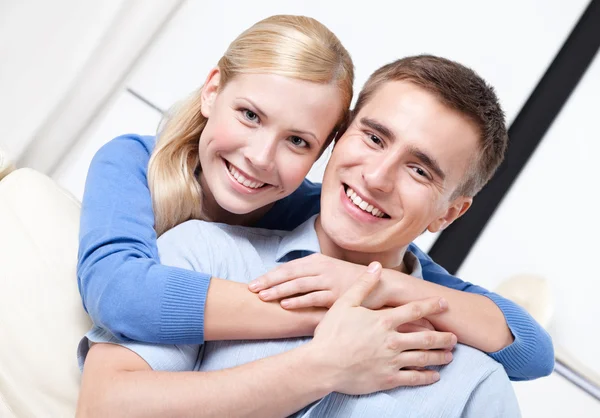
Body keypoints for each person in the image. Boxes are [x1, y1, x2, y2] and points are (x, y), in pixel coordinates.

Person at [77, 14, 553, 380]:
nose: (261, 157)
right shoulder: (135, 161)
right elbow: (121, 293)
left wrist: (382, 287)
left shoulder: (320, 212)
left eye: (299, 141)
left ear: (327, 145)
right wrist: (343, 316)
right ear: (212, 91)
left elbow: (530, 346)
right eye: (248, 115)